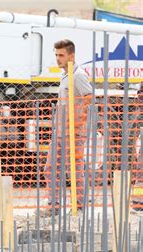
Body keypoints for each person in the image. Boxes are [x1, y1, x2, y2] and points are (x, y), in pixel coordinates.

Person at [42, 39, 93, 216]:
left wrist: (76, 122)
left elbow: (88, 98)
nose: (58, 58)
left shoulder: (78, 75)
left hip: (74, 131)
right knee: (51, 167)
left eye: (61, 55)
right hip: (61, 131)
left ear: (72, 56)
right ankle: (54, 205)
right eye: (56, 55)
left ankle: (79, 206)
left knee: (75, 168)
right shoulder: (66, 75)